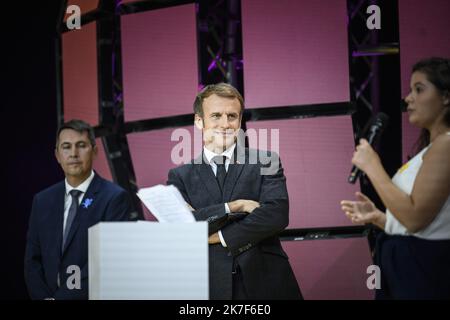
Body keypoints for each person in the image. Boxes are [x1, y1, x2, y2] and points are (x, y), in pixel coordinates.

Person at [167, 83, 302, 300]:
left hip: (266, 282)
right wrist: (235, 207)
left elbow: (276, 215)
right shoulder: (180, 175)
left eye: (232, 116)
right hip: (208, 286)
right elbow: (181, 228)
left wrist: (218, 236)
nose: (225, 124)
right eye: (216, 116)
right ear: (199, 121)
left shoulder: (266, 160)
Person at [341, 57, 450, 299]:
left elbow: (415, 219)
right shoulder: (432, 148)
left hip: (427, 272)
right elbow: (426, 221)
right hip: (415, 268)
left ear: (445, 97)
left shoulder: (446, 144)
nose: (408, 98)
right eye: (410, 90)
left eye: (419, 90)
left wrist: (372, 166)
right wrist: (381, 218)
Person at [24, 119, 132, 300]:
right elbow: (32, 261)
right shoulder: (42, 200)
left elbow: (106, 261)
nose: (73, 153)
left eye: (81, 146)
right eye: (66, 147)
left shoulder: (114, 198)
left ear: (95, 151)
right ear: (57, 155)